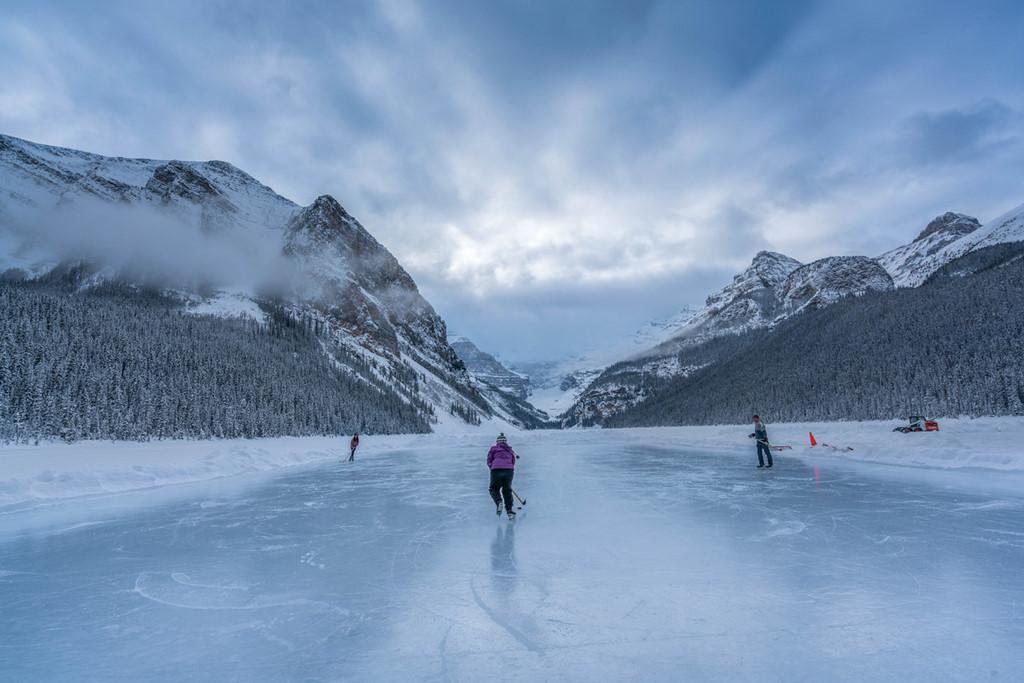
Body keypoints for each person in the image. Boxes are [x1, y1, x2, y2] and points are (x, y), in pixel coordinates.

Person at [487, 433, 518, 518]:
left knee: (493, 488)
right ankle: (509, 511)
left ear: (497, 442)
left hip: (496, 470)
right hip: (509, 470)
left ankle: (498, 501)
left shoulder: (493, 449)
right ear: (505, 442)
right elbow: (513, 461)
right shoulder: (510, 450)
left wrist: (492, 467)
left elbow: (489, 460)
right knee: (507, 490)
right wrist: (509, 468)